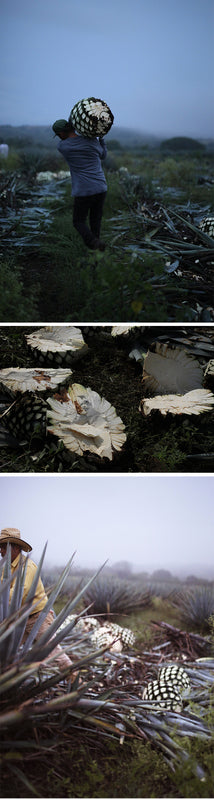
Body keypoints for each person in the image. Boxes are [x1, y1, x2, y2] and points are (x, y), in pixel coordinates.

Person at [0, 527, 73, 673]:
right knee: (6, 652)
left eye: (2, 547)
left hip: (37, 618)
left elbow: (17, 594)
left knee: (56, 655)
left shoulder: (28, 567)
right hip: (19, 620)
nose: (0, 551)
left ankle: (75, 679)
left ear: (14, 547)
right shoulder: (6, 568)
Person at [52, 118, 107, 250]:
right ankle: (96, 251)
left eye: (59, 134)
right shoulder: (92, 141)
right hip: (101, 187)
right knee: (95, 220)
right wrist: (101, 139)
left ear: (62, 133)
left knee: (78, 221)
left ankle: (93, 243)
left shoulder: (63, 147)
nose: (59, 137)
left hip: (84, 189)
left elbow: (71, 141)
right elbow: (103, 155)